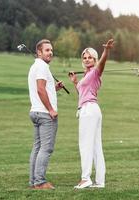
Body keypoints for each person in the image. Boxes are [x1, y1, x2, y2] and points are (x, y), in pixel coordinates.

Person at [69, 39, 114, 189]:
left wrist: (106, 51)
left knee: (85, 145)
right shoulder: (87, 75)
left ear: (94, 59)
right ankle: (100, 182)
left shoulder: (95, 72)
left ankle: (85, 178)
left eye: (90, 57)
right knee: (95, 146)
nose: (87, 59)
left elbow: (102, 63)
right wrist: (75, 82)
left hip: (89, 110)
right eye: (84, 57)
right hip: (90, 109)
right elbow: (82, 94)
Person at [28, 39, 64, 190]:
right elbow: (40, 90)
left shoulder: (36, 66)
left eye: (51, 50)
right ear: (39, 52)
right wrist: (51, 109)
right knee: (46, 148)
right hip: (44, 114)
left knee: (37, 147)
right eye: (47, 50)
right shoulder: (42, 67)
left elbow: (44, 89)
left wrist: (54, 88)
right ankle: (40, 182)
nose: (50, 52)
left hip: (35, 111)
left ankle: (33, 182)